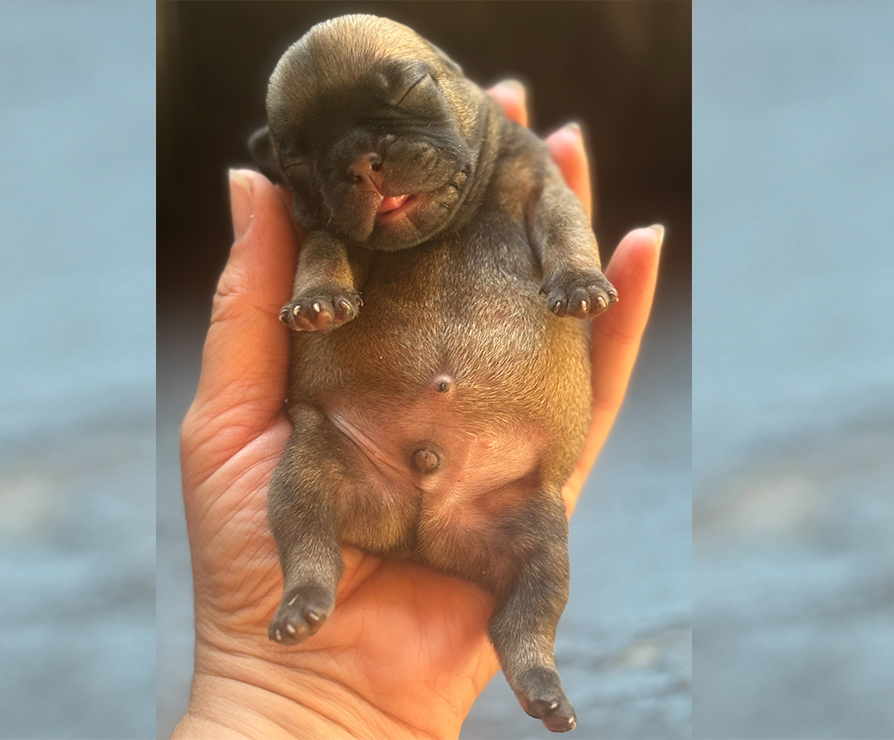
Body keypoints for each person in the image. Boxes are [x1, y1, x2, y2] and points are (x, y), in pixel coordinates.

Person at [172, 81, 662, 739]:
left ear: (446, 89)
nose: (371, 170)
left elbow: (560, 216)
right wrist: (324, 289)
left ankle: (530, 650)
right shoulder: (340, 215)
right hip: (357, 453)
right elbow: (324, 252)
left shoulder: (513, 160)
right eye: (328, 159)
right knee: (304, 486)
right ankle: (311, 578)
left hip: (494, 490)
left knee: (540, 552)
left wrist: (573, 270)